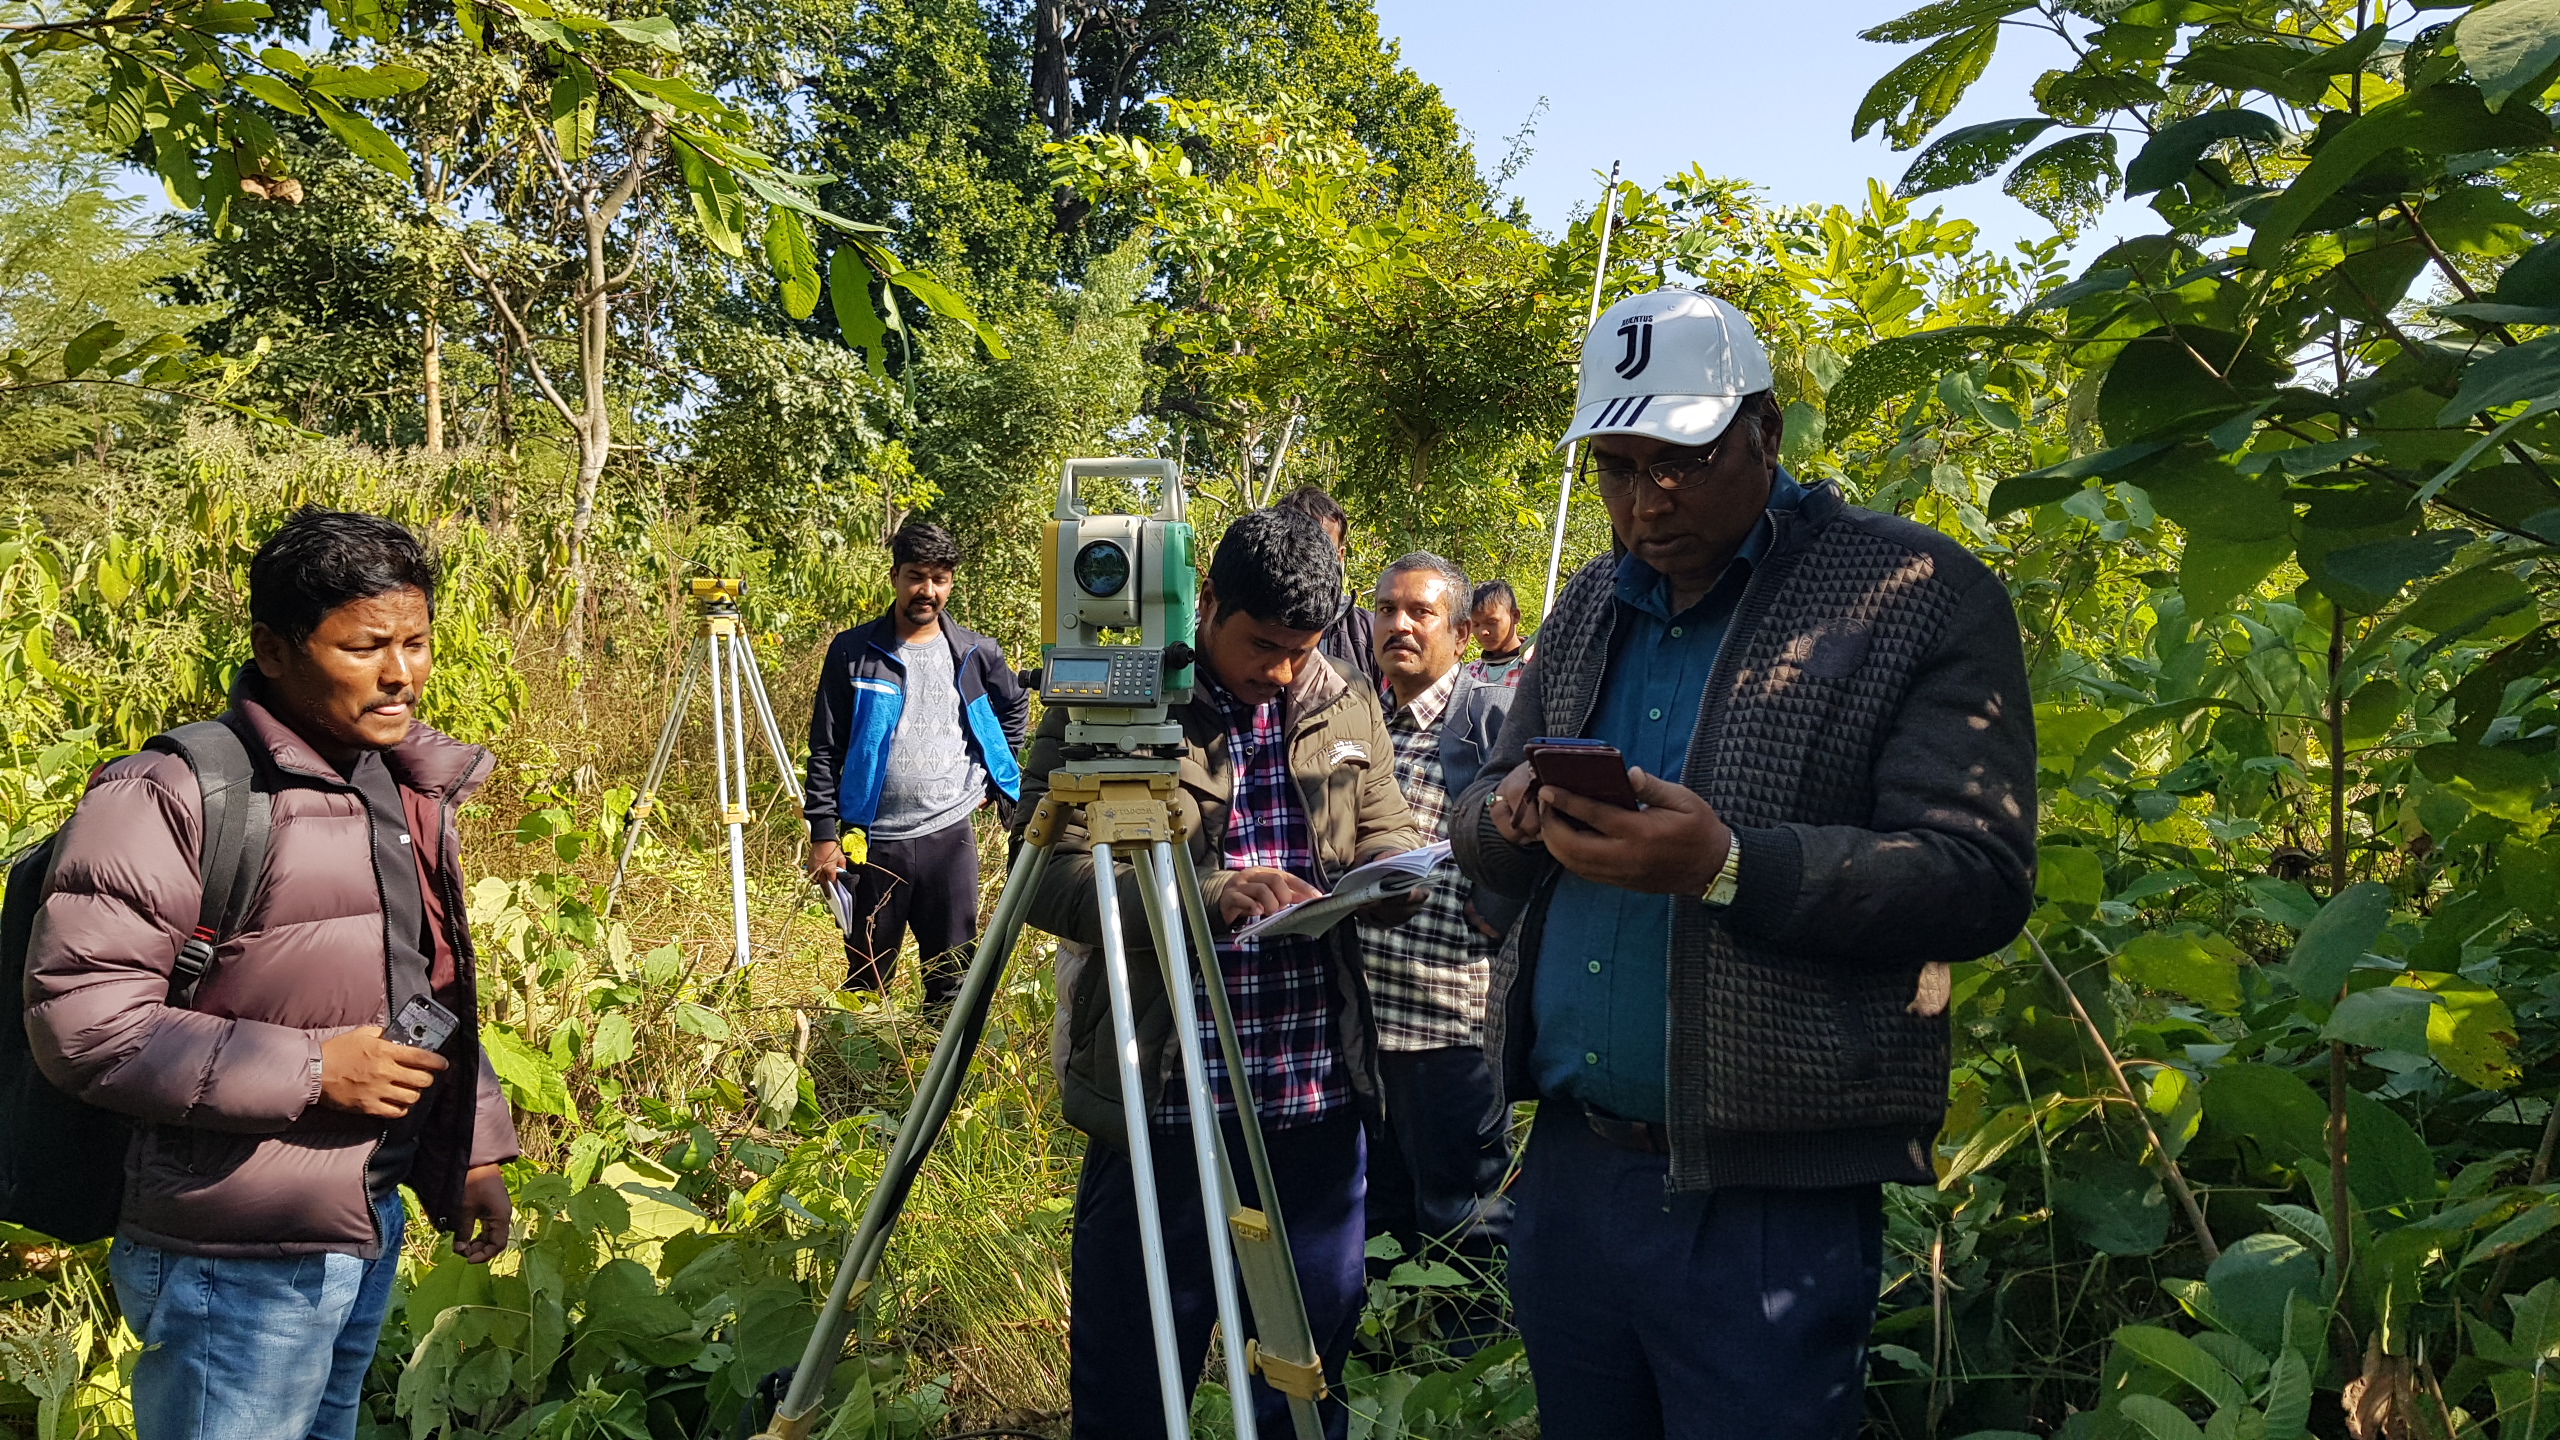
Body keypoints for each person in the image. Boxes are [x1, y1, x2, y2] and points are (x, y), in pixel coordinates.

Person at [1448, 288, 2038, 1439]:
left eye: (1682, 458)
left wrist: (1725, 867)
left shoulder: (1912, 596)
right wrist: (1511, 819)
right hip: (1574, 1174)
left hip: (1772, 1196)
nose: (1645, 501)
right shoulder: (1585, 610)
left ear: (1765, 429)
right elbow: (1474, 815)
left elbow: (1977, 874)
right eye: (1617, 469)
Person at [25, 507, 519, 1440]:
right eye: (365, 646)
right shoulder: (172, 794)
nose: (402, 673)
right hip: (227, 1252)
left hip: (361, 1216)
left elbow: (426, 991)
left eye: (416, 642)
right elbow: (83, 1024)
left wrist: (474, 1147)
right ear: (274, 649)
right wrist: (315, 1069)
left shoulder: (395, 782)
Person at [1018, 507, 1423, 1440]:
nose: (1279, 670)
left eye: (1301, 648)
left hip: (1312, 1100)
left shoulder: (1347, 699)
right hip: (1163, 1095)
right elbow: (1043, 873)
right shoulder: (1118, 702)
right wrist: (1203, 894)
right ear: (1208, 606)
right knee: (1133, 1374)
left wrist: (1388, 881)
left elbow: (1387, 829)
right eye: (1260, 645)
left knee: (1304, 1372)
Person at [1356, 553, 1518, 1278]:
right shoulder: (1354, 720)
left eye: (1419, 612)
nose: (1399, 624)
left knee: (1467, 1224)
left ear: (1460, 632)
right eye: (1386, 609)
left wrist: (1504, 905)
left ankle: (1468, 1380)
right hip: (1359, 1021)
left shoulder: (1495, 724)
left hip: (1452, 1023)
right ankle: (1380, 1375)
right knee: (1374, 1220)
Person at [803, 520, 1029, 1003]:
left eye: (940, 578)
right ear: (894, 577)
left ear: (951, 582)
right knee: (866, 978)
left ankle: (939, 1074)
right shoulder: (853, 651)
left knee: (952, 978)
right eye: (915, 575)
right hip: (871, 840)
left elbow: (1012, 704)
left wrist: (996, 773)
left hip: (949, 837)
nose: (927, 590)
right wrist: (824, 833)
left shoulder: (975, 651)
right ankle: (861, 1071)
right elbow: (826, 746)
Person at [1274, 485, 1381, 690]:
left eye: (1323, 548)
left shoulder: (1370, 632)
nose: (1311, 557)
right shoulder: (1249, 620)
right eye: (1300, 544)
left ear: (1340, 556)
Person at [1464, 579, 1527, 687]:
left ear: (1515, 616)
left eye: (1492, 622)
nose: (1483, 631)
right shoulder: (1470, 673)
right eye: (1476, 625)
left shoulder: (1536, 668)